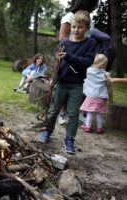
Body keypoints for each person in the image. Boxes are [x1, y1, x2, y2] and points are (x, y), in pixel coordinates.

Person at [39, 11, 96, 154]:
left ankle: (69, 140)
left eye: (81, 27)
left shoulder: (90, 44)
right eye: (74, 27)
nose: (76, 30)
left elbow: (87, 62)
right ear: (71, 26)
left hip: (76, 85)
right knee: (53, 111)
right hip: (61, 83)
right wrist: (53, 77)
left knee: (73, 115)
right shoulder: (64, 43)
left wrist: (69, 57)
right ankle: (47, 131)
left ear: (87, 28)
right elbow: (56, 63)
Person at [58, 0, 100, 125]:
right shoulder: (69, 17)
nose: (94, 8)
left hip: (81, 62)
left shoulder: (87, 19)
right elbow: (62, 38)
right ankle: (61, 112)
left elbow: (88, 39)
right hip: (68, 59)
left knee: (78, 89)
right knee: (63, 86)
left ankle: (75, 114)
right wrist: (72, 54)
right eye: (93, 6)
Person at [80, 54, 112, 134]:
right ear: (104, 64)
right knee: (99, 113)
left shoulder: (89, 70)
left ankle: (88, 127)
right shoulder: (106, 75)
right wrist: (111, 97)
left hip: (91, 95)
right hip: (101, 97)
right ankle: (99, 128)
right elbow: (109, 87)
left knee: (90, 112)